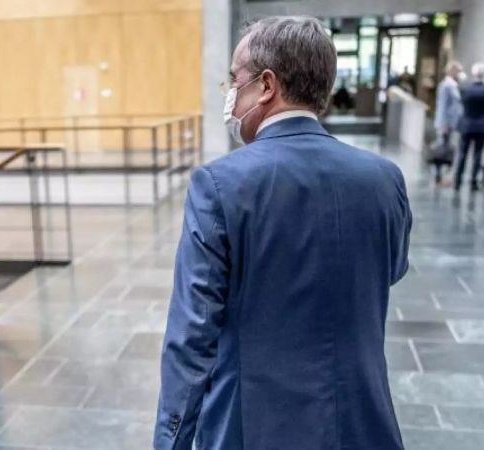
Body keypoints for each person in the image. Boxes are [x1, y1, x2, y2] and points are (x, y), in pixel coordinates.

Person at [155, 16, 412, 450]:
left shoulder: (220, 185)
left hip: (252, 427)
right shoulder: (385, 178)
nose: (231, 95)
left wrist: (171, 441)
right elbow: (390, 270)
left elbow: (192, 336)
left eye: (235, 80)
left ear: (267, 84)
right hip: (364, 424)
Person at [455, 62, 484, 191]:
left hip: (466, 125)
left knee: (462, 154)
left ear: (473, 73)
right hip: (481, 126)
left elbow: (461, 102)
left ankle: (457, 181)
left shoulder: (465, 88)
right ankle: (473, 182)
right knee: (477, 154)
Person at [432, 61, 463, 185]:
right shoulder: (446, 86)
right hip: (445, 123)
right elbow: (443, 106)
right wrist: (443, 124)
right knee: (441, 150)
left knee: (447, 149)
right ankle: (438, 176)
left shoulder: (454, 85)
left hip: (451, 123)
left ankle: (443, 176)